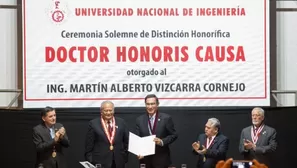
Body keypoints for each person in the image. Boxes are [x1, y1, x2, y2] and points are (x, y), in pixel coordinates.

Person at [135, 94, 178, 168]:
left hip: (161, 160)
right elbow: (137, 139)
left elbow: (174, 135)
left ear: (157, 104)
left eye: (152, 104)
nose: (150, 107)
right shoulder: (140, 120)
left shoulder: (166, 118)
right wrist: (139, 151)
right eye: (148, 104)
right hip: (145, 160)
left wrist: (162, 141)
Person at [84, 101, 129, 168]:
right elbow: (89, 147)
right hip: (100, 163)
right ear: (101, 111)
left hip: (118, 162)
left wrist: (124, 158)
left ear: (113, 111)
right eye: (106, 111)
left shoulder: (121, 122)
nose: (108, 113)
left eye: (110, 110)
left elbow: (127, 142)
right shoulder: (93, 124)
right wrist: (91, 162)